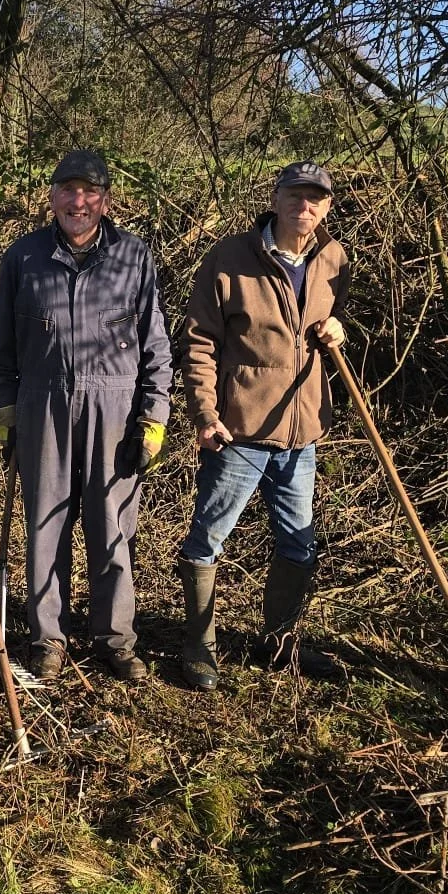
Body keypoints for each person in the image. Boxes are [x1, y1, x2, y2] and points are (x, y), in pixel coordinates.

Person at [0, 149, 172, 681]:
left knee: (111, 528)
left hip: (114, 408)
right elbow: (1, 348)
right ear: (52, 197)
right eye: (68, 190)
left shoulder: (133, 257)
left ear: (105, 199)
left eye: (89, 191)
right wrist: (7, 414)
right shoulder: (23, 257)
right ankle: (49, 637)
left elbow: (155, 344)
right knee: (45, 529)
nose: (78, 201)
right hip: (42, 406)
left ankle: (115, 637)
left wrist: (153, 415)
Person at [177, 161, 352, 689]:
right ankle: (199, 646)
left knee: (299, 543)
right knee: (208, 537)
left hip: (303, 431)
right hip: (240, 431)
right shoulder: (230, 259)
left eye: (317, 199)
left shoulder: (334, 258)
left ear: (327, 206)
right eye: (297, 196)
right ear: (275, 200)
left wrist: (338, 328)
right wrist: (205, 413)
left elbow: (332, 319)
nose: (307, 207)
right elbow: (199, 342)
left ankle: (279, 642)